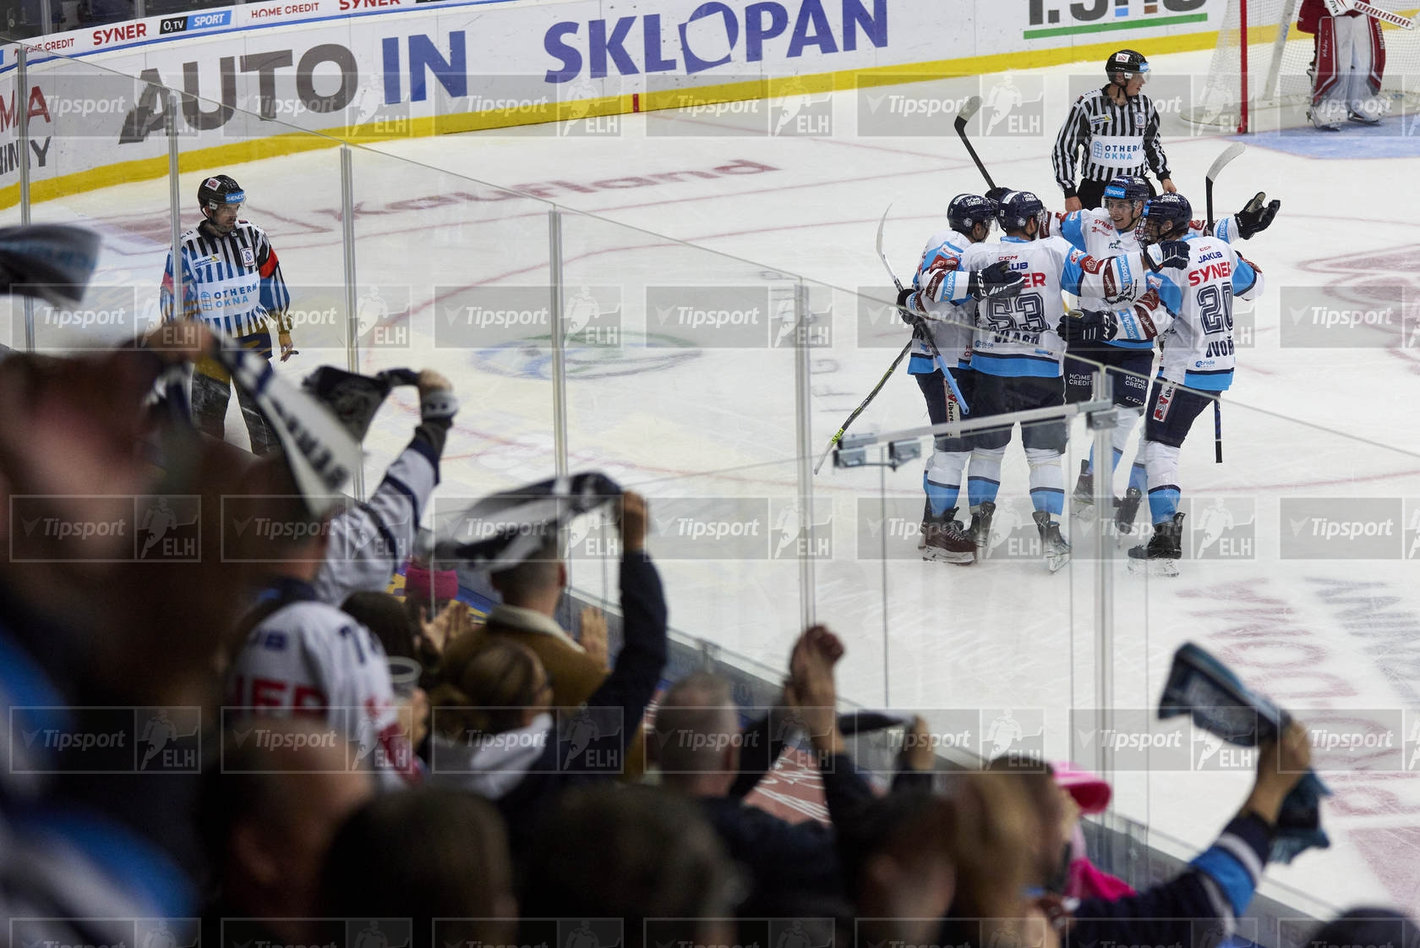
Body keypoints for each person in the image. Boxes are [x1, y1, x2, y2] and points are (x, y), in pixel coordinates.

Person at [928, 190, 1176, 572]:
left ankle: (979, 526)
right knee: (1044, 456)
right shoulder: (1055, 250)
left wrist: (916, 300)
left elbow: (937, 287)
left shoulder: (977, 255)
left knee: (986, 454)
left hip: (988, 372)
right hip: (1040, 377)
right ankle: (1050, 534)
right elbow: (1105, 279)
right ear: (1031, 223)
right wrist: (1154, 256)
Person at [1038, 175, 1279, 527]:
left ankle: (1094, 488)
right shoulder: (1091, 222)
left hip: (1133, 341)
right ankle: (1049, 481)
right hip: (1088, 338)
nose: (1115, 212)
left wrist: (1239, 225)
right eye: (1111, 204)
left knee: (1128, 421)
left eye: (1123, 206)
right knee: (1069, 415)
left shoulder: (1161, 239)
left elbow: (1198, 231)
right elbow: (1043, 222)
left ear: (1141, 207)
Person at [1115, 193, 1263, 572]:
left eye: (1152, 222)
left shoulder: (1168, 265)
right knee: (1156, 438)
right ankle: (1134, 509)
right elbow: (1255, 285)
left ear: (1169, 226)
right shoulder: (1219, 247)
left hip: (1183, 370)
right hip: (1221, 369)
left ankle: (1165, 534)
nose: (1145, 228)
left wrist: (1103, 324)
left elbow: (1157, 320)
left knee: (1161, 446)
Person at [161, 174, 294, 455]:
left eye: (235, 208)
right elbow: (173, 297)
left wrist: (283, 327)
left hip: (253, 344)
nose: (233, 215)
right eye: (225, 209)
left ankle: (269, 481)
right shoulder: (186, 247)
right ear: (208, 209)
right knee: (205, 426)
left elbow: (272, 280)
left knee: (265, 423)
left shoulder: (253, 236)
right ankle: (206, 483)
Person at [900, 193, 998, 565]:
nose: (987, 231)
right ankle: (939, 530)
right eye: (985, 223)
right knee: (953, 446)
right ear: (975, 225)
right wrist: (976, 283)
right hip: (946, 364)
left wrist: (910, 305)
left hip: (952, 362)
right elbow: (931, 289)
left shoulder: (953, 246)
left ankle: (933, 522)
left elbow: (918, 300)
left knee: (952, 443)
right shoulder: (951, 242)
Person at [1052, 50, 1176, 212]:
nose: (1143, 82)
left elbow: (1152, 144)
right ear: (1120, 77)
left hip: (1138, 188)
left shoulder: (1145, 105)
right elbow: (1064, 147)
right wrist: (1069, 192)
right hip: (1096, 191)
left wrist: (1164, 176)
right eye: (1138, 76)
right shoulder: (1088, 105)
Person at [1298, 0, 1387, 130]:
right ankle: (1327, 102)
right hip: (1326, 7)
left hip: (1357, 6)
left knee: (1365, 48)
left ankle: (1361, 98)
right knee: (1334, 51)